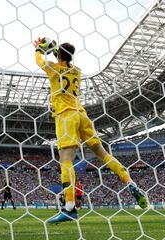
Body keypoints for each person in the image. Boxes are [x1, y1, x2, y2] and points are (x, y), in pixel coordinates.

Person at [34, 38, 147, 224]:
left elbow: (39, 60)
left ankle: (69, 207)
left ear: (59, 56)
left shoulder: (53, 69)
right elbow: (64, 58)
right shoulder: (76, 71)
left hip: (65, 116)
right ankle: (130, 182)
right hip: (82, 115)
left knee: (65, 159)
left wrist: (39, 48)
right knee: (102, 153)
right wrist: (55, 49)